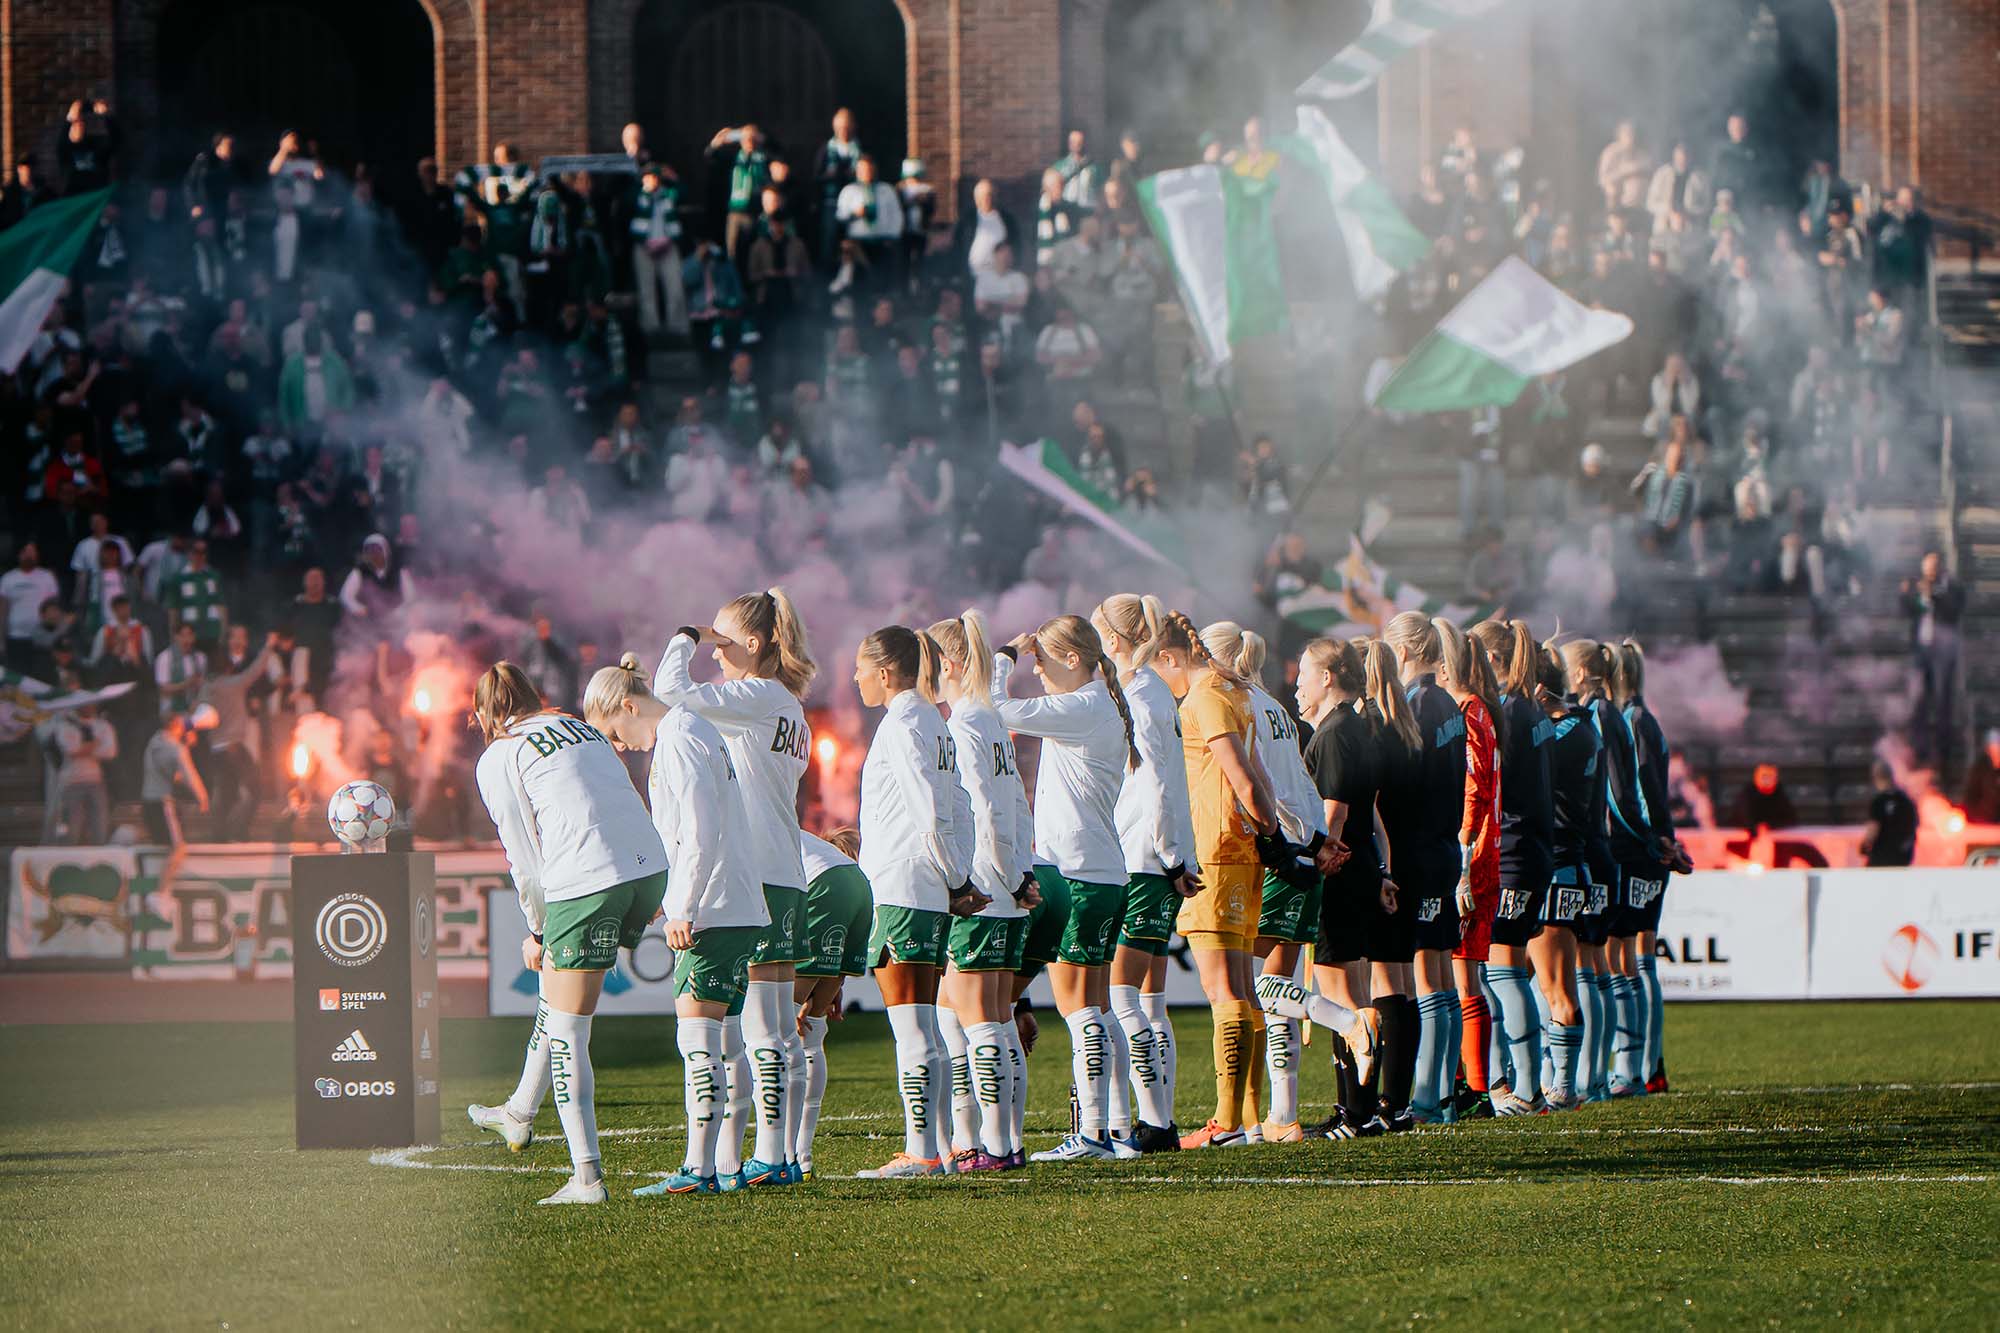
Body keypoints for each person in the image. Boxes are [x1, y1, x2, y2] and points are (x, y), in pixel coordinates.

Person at [468, 662, 668, 1206]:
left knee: (569, 1032)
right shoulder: (580, 727)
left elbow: (522, 853)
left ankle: (587, 1179)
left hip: (589, 880)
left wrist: (537, 927)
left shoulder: (500, 755)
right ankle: (518, 1112)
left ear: (486, 715)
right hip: (648, 868)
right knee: (557, 1003)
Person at [582, 655, 769, 1196]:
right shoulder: (692, 729)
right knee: (728, 1042)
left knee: (699, 1042)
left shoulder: (679, 736)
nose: (619, 745)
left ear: (627, 705)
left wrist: (682, 905)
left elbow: (700, 830)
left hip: (714, 908)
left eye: (613, 731)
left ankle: (699, 1169)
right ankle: (726, 1165)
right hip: (735, 903)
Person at [652, 591, 817, 1184]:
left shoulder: (756, 696)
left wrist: (685, 635)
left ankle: (762, 1157)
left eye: (724, 643)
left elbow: (671, 691)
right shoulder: (790, 705)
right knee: (772, 1028)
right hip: (787, 871)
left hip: (756, 874)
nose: (716, 655)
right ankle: (777, 1156)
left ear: (753, 644)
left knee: (749, 1032)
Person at [991, 615, 1138, 1161]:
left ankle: (1094, 1133)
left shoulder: (1082, 706)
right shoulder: (1094, 705)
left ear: (1072, 660)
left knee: (1081, 1011)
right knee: (1096, 1007)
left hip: (1078, 873)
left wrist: (1004, 654)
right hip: (1100, 870)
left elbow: (992, 709)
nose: (1037, 670)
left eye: (1042, 660)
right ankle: (1115, 1129)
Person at [1202, 621, 1352, 1142]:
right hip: (1303, 851)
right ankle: (1282, 1114)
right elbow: (1297, 783)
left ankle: (1348, 1022)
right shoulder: (1276, 710)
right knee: (1271, 991)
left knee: (1248, 986)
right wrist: (1316, 842)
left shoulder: (1242, 709)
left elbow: (1265, 787)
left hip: (1279, 854)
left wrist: (1297, 843)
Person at [849, 626, 978, 1179]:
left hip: (904, 883)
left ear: (884, 672)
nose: (854, 679)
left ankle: (921, 1150)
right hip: (924, 883)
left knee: (912, 1027)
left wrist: (953, 877)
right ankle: (941, 1147)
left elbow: (930, 805)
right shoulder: (931, 719)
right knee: (924, 1022)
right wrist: (956, 874)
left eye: (860, 668)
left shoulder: (902, 722)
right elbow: (960, 803)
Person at [1149, 610, 1278, 1149]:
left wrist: (1266, 827)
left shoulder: (1203, 697)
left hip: (1218, 853)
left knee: (1221, 988)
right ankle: (1247, 1118)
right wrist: (1273, 839)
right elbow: (1259, 772)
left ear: (1170, 659)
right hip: (1240, 852)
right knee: (1242, 989)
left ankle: (1227, 1123)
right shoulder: (1233, 691)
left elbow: (1243, 776)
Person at [1090, 594, 1200, 1154]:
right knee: (1149, 1001)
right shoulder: (1152, 691)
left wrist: (1171, 853)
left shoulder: (1142, 694)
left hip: (1141, 859)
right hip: (1157, 858)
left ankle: (1145, 1123)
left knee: (1120, 996)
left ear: (1113, 641)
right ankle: (1153, 1121)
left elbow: (1157, 783)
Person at [928, 611, 1036, 1171]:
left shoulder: (964, 727)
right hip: (1006, 885)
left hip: (981, 887)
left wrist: (1006, 877)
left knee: (980, 1020)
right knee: (974, 1014)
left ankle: (996, 1148)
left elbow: (987, 813)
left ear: (946, 664)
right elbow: (1014, 803)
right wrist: (1022, 874)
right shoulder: (988, 720)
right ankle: (993, 1140)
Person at [1295, 638, 1399, 1138]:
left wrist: (1318, 861)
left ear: (1328, 676)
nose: (1299, 683)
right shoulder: (1360, 726)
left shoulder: (1335, 732)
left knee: (1339, 996)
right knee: (1358, 994)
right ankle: (1362, 1111)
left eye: (1304, 674)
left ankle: (1352, 1114)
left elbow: (1334, 810)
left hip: (1340, 872)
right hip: (1360, 870)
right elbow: (1372, 811)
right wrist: (1380, 870)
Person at [1381, 613, 1468, 1124]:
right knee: (1440, 968)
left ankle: (1429, 1097)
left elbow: (1405, 785)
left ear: (1404, 652)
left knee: (1423, 975)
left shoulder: (1415, 704)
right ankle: (1442, 1094)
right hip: (1442, 847)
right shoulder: (1447, 703)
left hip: (1416, 848)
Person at [1468, 621, 1555, 1115]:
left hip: (1517, 851)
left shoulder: (1511, 712)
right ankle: (1529, 1084)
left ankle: (1525, 1089)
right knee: (1512, 967)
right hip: (1535, 849)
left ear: (1492, 662)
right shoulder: (1532, 709)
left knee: (1504, 971)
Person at [1434, 620, 1503, 1118]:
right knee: (1465, 972)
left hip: (1473, 856)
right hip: (1482, 851)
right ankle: (1467, 1081)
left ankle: (1475, 1088)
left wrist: (1460, 854)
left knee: (1463, 975)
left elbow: (1474, 787)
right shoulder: (1479, 709)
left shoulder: (1468, 711)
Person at [1612, 640, 1687, 1093]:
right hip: (1653, 846)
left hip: (1641, 849)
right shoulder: (1646, 719)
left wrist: (1655, 838)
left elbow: (1641, 793)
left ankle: (1643, 1063)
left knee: (1633, 957)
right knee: (1640, 958)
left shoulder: (1632, 722)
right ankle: (1647, 1064)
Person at [1533, 640, 1599, 1110]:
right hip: (1568, 861)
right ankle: (1562, 1082)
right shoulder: (1582, 727)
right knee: (1557, 982)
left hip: (1557, 861)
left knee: (1555, 983)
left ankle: (1563, 1086)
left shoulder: (1565, 733)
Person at [792, 826, 872, 1177]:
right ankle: (802, 1155)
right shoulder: (814, 847)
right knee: (812, 1029)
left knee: (775, 1027)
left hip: (823, 888)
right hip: (857, 886)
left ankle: (778, 1156)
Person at [1901, 551, 1966, 766]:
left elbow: (1954, 611)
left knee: (1942, 702)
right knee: (1917, 700)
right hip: (1921, 650)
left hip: (1943, 653)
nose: (1930, 570)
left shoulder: (1952, 586)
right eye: (1927, 566)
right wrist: (1915, 595)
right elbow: (1907, 609)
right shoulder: (1916, 585)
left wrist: (1934, 596)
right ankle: (1920, 749)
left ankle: (1943, 751)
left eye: (1934, 566)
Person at [141, 711, 209, 848]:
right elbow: (189, 775)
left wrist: (185, 745)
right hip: (164, 804)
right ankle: (166, 871)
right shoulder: (175, 749)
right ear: (176, 725)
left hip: (148, 803)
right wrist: (202, 797)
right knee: (178, 848)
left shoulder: (154, 741)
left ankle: (162, 870)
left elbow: (172, 774)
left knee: (161, 846)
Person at [53, 703, 117, 845]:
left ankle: (99, 856)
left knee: (99, 825)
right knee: (72, 827)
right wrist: (95, 743)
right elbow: (71, 750)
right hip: (72, 781)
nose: (89, 707)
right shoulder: (65, 726)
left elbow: (109, 752)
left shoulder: (103, 726)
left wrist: (84, 749)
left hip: (96, 781)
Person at [1860, 761, 1917, 869]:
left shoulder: (1878, 801)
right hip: (1902, 858)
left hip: (1881, 858)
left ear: (1876, 778)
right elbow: (1913, 825)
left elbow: (1874, 828)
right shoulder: (1905, 800)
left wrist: (1865, 845)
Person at [1961, 730, 2000, 825]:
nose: (1996, 752)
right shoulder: (1980, 769)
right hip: (1982, 820)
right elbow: (1970, 794)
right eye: (1993, 748)